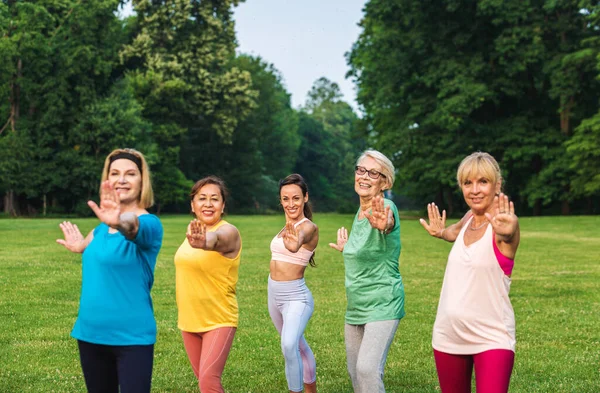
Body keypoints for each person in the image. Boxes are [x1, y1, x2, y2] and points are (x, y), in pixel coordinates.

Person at [56, 148, 163, 393]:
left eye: (130, 174)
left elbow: (132, 227)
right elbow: (90, 245)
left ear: (142, 180)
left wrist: (119, 221)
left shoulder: (149, 224)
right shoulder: (100, 229)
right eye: (115, 173)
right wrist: (78, 245)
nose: (122, 179)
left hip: (131, 338)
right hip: (90, 334)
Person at [419, 151, 520, 393]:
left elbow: (509, 233)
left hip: (492, 338)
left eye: (483, 182)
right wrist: (440, 233)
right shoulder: (468, 219)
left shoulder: (503, 226)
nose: (474, 190)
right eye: (467, 183)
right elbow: (454, 231)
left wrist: (510, 228)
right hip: (448, 336)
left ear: (498, 185)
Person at [329, 149, 404, 393]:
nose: (364, 176)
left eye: (373, 173)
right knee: (355, 373)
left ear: (385, 181)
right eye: (361, 169)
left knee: (368, 370)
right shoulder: (359, 213)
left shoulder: (385, 207)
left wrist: (385, 224)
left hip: (383, 303)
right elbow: (365, 251)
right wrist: (347, 248)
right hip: (356, 306)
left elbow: (387, 222)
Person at [174, 176, 242, 393]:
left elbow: (216, 239)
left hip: (218, 320)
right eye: (202, 198)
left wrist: (205, 242)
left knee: (208, 382)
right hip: (189, 321)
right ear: (192, 205)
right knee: (205, 382)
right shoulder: (193, 232)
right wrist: (199, 239)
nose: (208, 204)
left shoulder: (228, 232)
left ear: (223, 206)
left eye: (214, 199)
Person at [268, 174, 319, 393]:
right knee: (297, 344)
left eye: (296, 198)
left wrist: (295, 242)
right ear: (280, 201)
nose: (291, 204)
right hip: (273, 294)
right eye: (286, 199)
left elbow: (301, 237)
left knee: (289, 345)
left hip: (296, 297)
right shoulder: (283, 228)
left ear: (305, 198)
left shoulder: (308, 227)